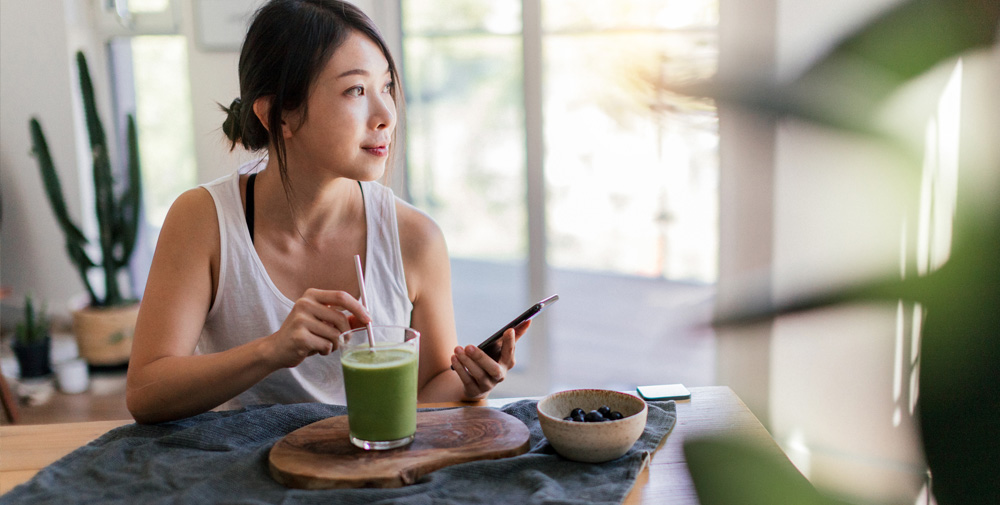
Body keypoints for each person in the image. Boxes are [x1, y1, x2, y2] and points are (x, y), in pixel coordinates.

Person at [125, 0, 528, 424]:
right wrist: (272, 350)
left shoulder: (416, 238)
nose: (386, 115)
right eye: (356, 90)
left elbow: (425, 393)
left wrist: (469, 384)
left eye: (386, 86)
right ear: (279, 114)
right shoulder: (204, 220)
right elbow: (146, 393)